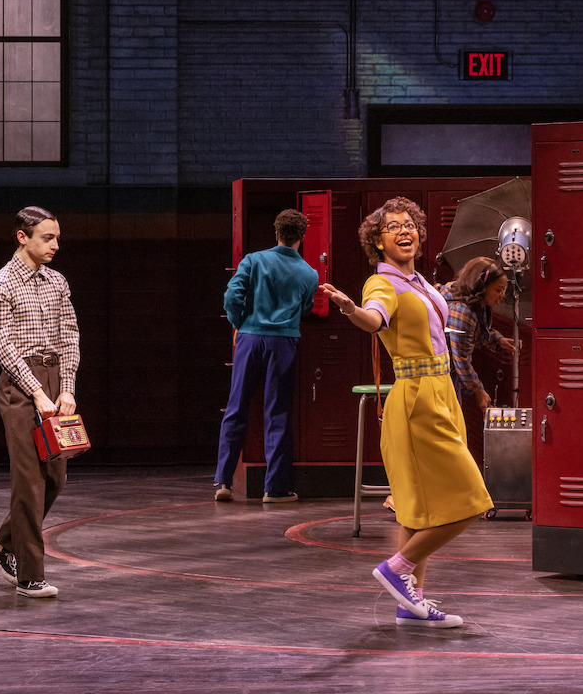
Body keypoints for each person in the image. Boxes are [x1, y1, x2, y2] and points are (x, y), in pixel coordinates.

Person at [320, 197, 492, 629]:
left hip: (441, 392)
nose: (405, 230)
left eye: (410, 224)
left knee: (417, 512)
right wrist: (351, 310)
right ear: (377, 242)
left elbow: (445, 307)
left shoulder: (419, 282)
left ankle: (409, 602)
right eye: (393, 226)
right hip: (417, 398)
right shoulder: (384, 284)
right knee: (473, 501)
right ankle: (396, 569)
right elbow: (376, 319)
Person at [0, 206, 79, 598]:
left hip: (54, 378)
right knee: (29, 480)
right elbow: (1, 345)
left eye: (56, 237)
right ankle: (30, 575)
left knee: (56, 477)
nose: (56, 244)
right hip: (21, 386)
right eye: (47, 237)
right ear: (23, 237)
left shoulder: (57, 281)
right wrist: (37, 392)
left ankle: (3, 542)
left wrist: (66, 388)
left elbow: (69, 335)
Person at [214, 208, 319, 503]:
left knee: (236, 408)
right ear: (302, 237)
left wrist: (239, 323)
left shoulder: (254, 260)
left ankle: (223, 481)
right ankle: (275, 489)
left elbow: (231, 296)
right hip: (284, 342)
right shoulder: (309, 273)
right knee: (278, 414)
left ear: (277, 234)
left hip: (250, 337)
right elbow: (307, 308)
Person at [445, 256, 518, 413]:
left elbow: (476, 332)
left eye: (503, 290)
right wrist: (478, 390)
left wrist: (498, 340)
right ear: (481, 287)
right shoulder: (461, 311)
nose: (503, 296)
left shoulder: (471, 300)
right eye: (498, 290)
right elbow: (461, 360)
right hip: (442, 377)